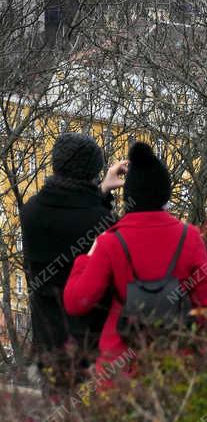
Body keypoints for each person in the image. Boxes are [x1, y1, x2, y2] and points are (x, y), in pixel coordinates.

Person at [64, 142, 207, 381]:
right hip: (177, 367)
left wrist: (86, 258)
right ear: (165, 194)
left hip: (121, 368)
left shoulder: (110, 241)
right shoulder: (190, 237)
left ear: (129, 197)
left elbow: (77, 302)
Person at [20, 133, 128, 388]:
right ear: (93, 171)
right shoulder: (104, 223)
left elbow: (69, 215)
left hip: (47, 341)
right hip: (88, 344)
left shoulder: (30, 212)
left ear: (56, 166)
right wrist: (102, 194)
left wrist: (100, 191)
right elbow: (88, 223)